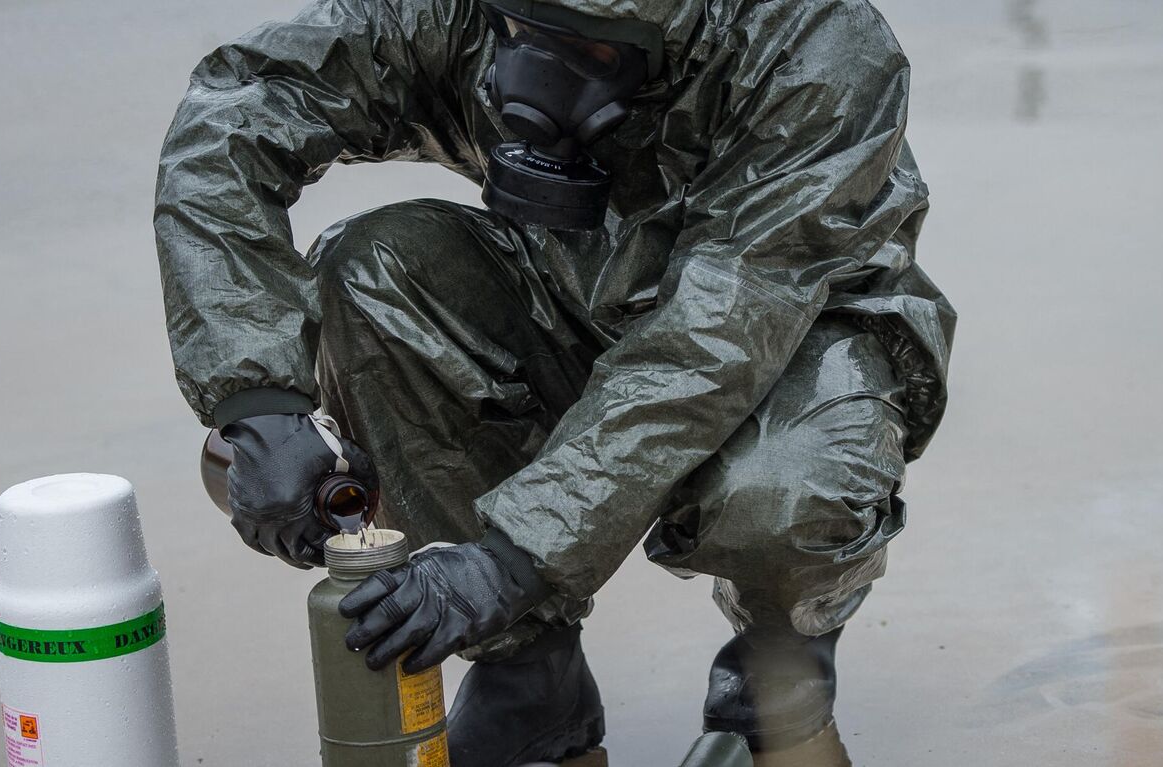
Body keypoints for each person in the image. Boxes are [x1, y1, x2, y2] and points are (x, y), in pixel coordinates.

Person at [154, 0, 953, 762]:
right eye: (519, 28)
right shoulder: (445, 16)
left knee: (784, 492)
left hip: (788, 337)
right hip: (570, 291)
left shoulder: (814, 49)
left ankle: (781, 662)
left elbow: (720, 331)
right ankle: (529, 676)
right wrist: (259, 406)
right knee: (372, 272)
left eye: (593, 50)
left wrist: (510, 559)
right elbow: (238, 114)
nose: (540, 75)